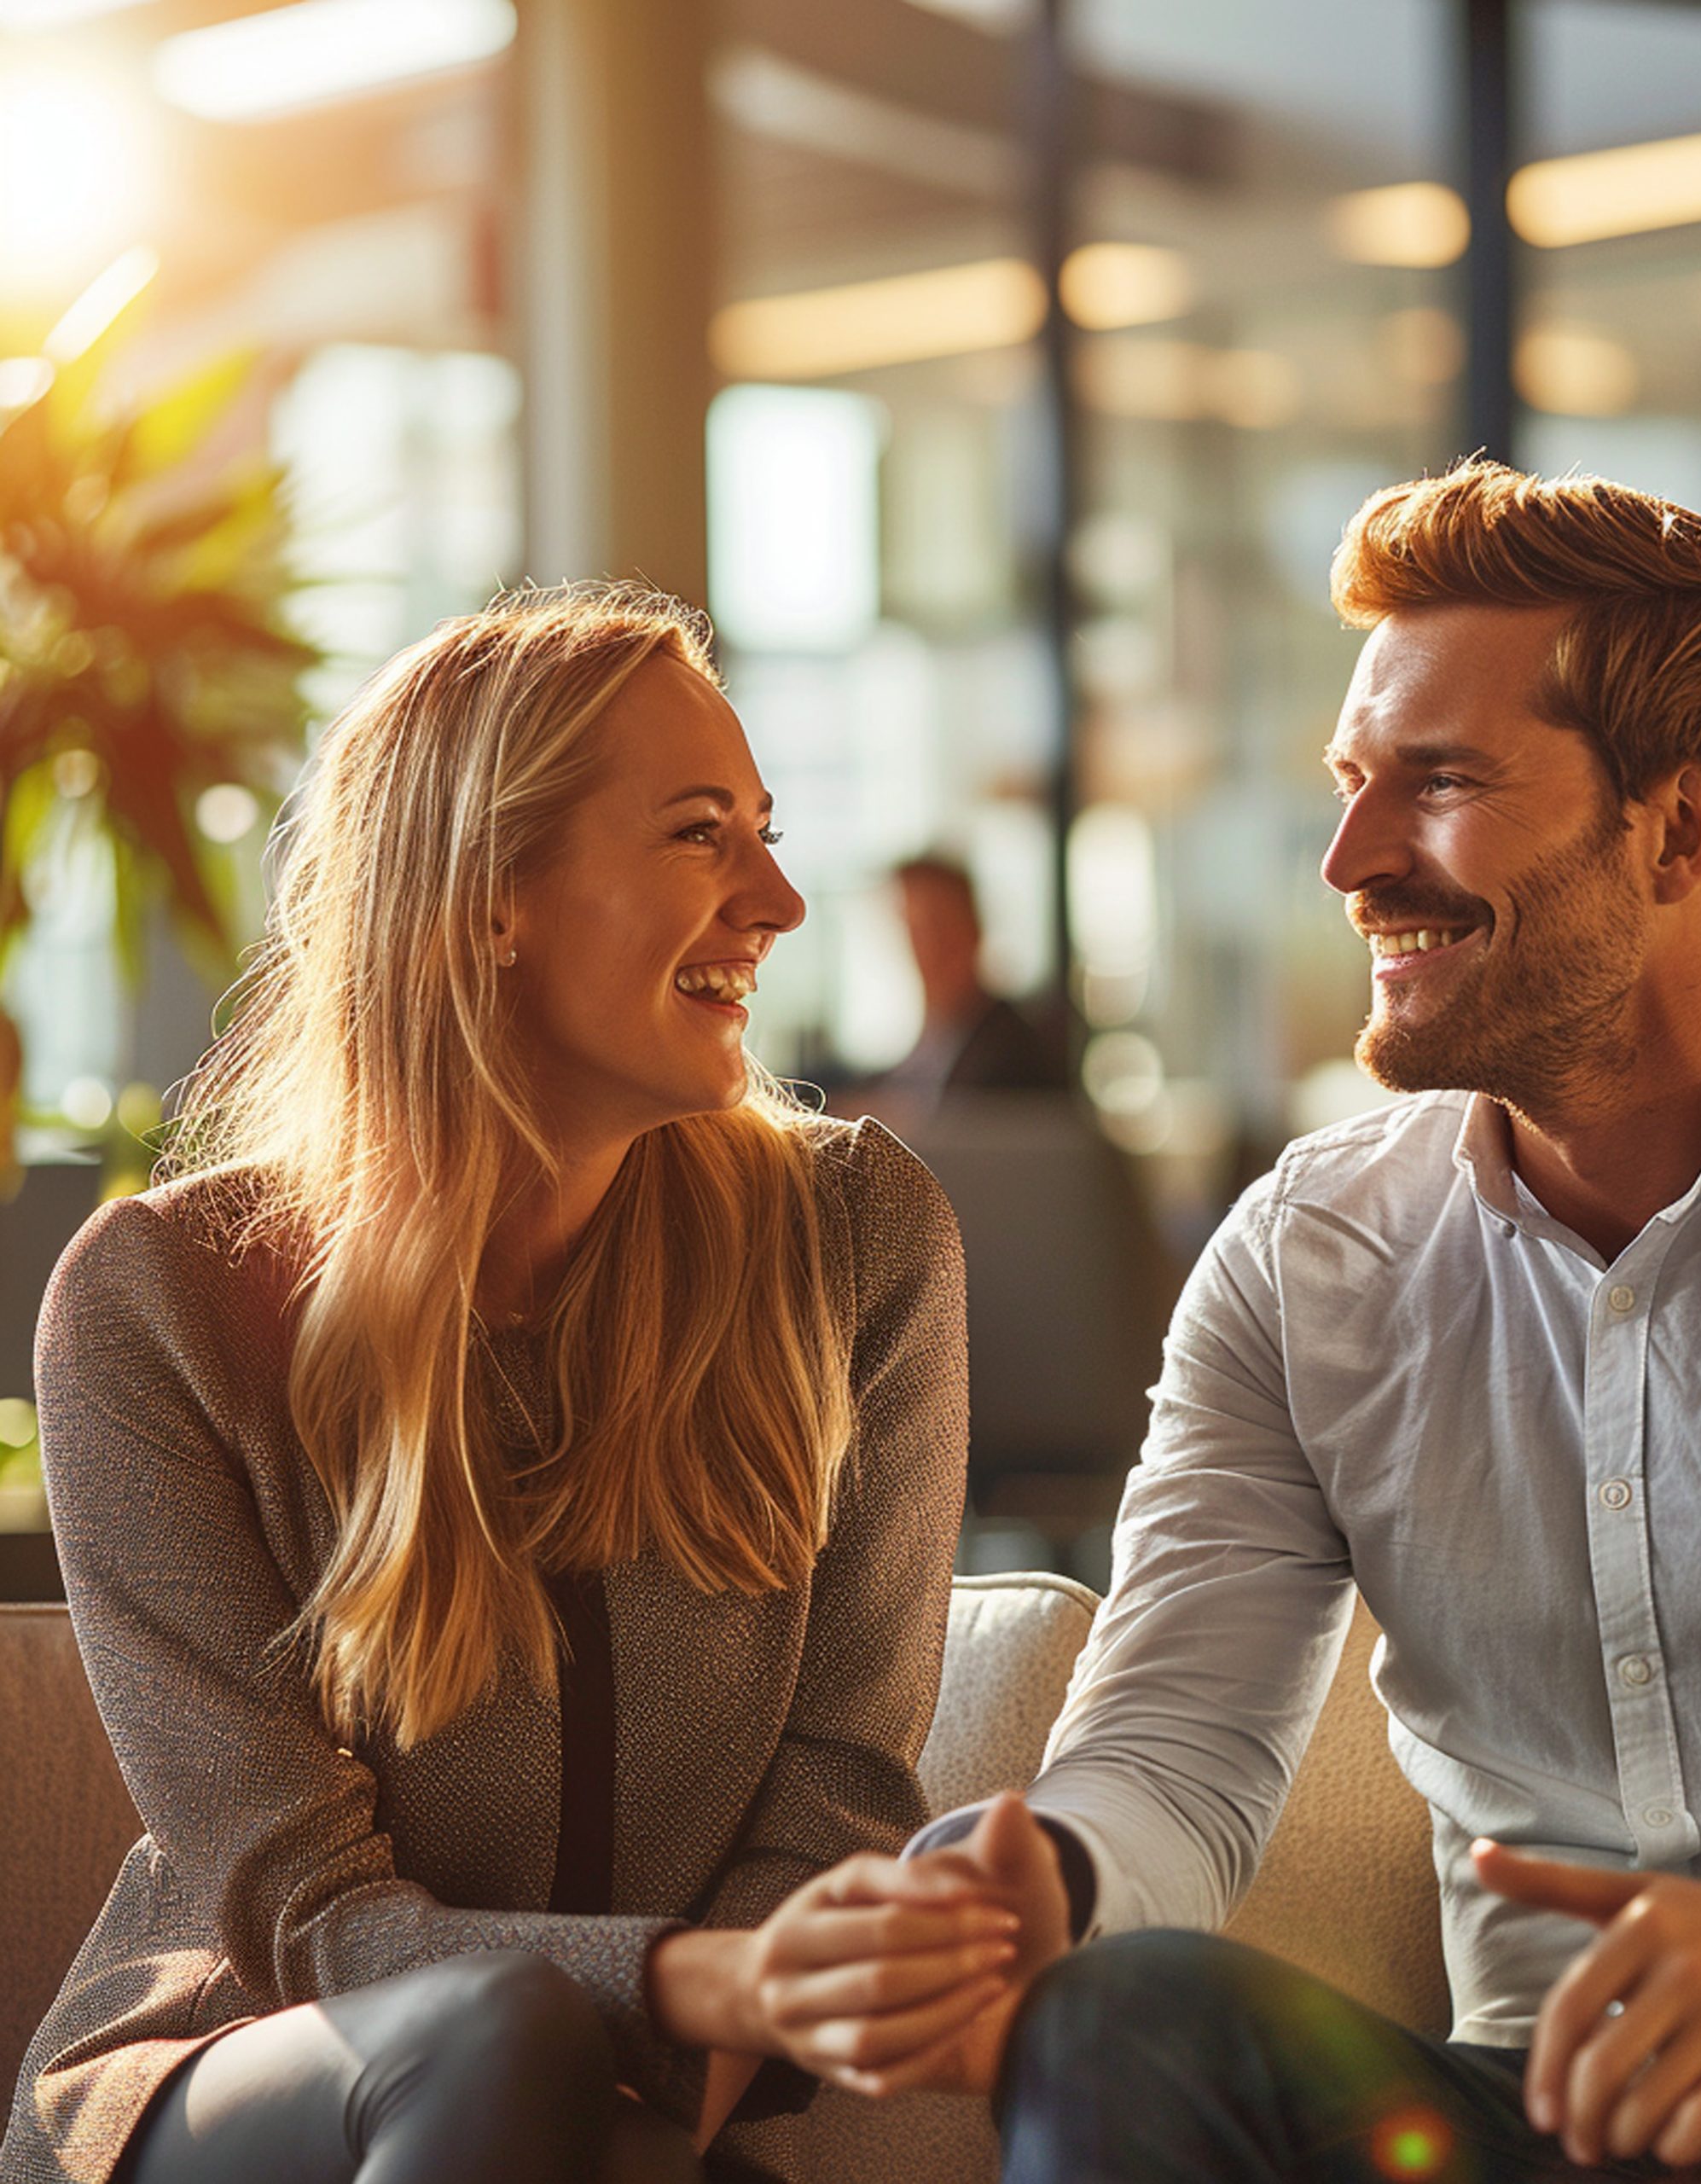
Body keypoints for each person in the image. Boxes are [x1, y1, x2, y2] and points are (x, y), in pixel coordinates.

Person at [893, 462, 1701, 2180]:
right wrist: (1036, 1871)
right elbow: (1174, 1754)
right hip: (1516, 2113)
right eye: (1354, 785)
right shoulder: (1301, 1260)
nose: (1353, 862)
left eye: (1437, 784)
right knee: (1117, 2012)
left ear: (1677, 830)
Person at [1, 586, 1019, 2184]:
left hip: (635, 2120)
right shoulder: (160, 1300)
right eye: (702, 836)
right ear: (489, 896)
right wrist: (680, 1989)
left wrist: (660, 2104)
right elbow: (300, 1910)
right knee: (505, 2034)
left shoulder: (858, 1240)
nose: (781, 900)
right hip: (232, 2080)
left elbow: (841, 1787)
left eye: (766, 829)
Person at [871, 856, 1070, 1107]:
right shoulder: (932, 1041)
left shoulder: (1012, 1050)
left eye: (939, 926)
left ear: (974, 926)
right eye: (913, 928)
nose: (928, 948)